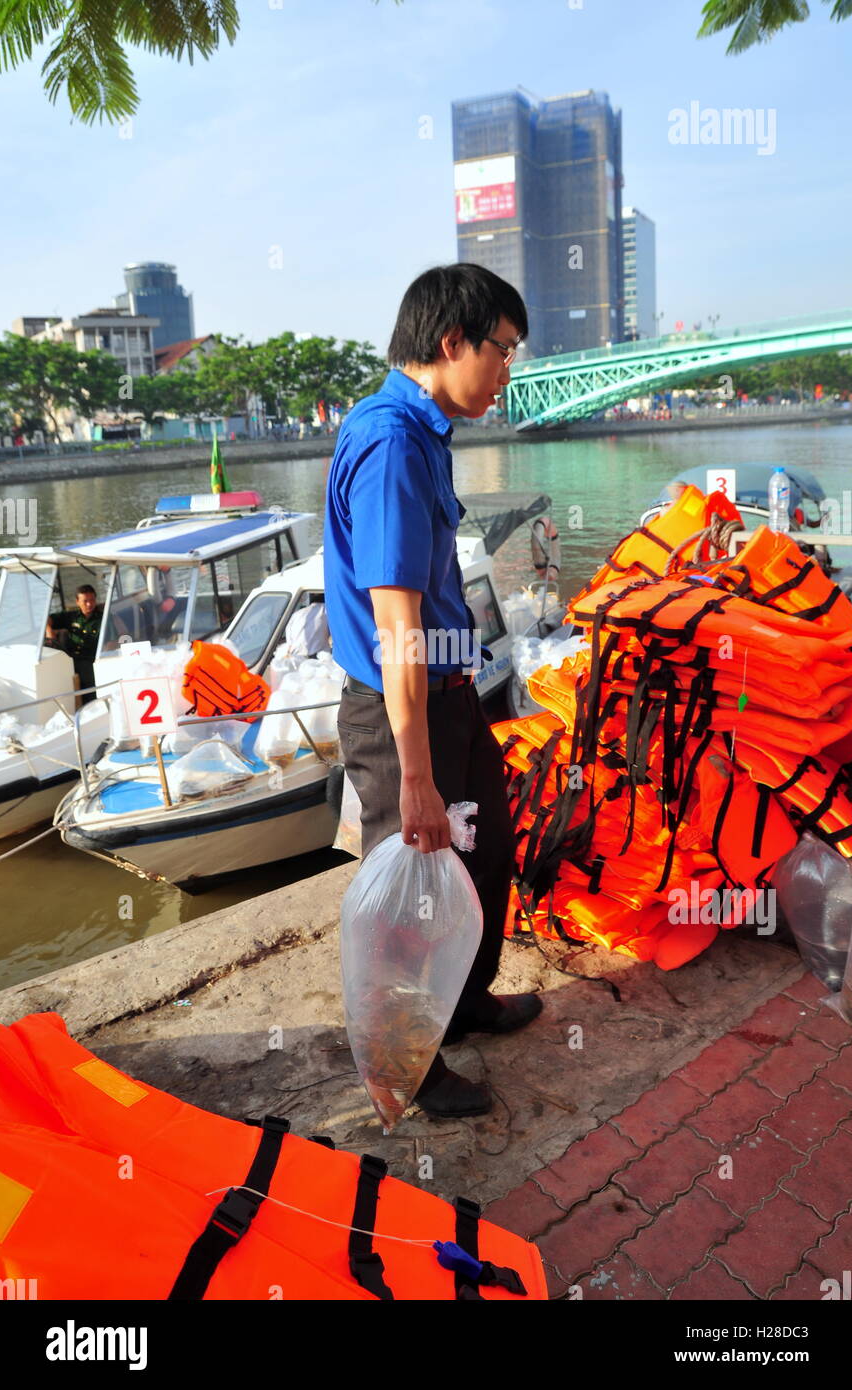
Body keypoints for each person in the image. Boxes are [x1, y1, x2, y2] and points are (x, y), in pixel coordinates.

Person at [324, 263, 542, 1119]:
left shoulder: (423, 433)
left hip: (447, 694)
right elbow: (397, 623)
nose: (507, 369)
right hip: (396, 712)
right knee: (412, 894)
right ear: (451, 343)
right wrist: (414, 774)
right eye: (502, 349)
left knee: (485, 849)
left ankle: (463, 1006)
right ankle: (402, 1069)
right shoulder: (389, 443)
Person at [46, 584, 104, 703]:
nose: (89, 604)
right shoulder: (71, 616)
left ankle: (90, 706)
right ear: (77, 602)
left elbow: (111, 643)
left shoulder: (103, 618)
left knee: (87, 678)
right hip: (71, 659)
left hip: (92, 660)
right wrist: (49, 631)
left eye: (92, 600)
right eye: (85, 601)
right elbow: (48, 619)